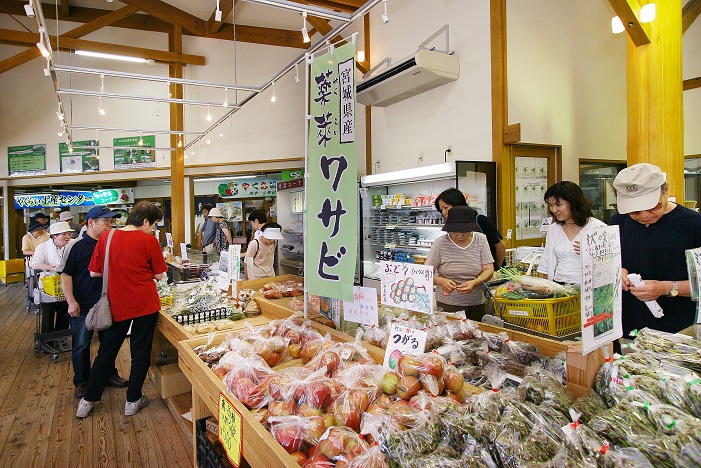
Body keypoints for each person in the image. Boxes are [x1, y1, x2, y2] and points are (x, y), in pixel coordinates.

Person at [76, 201, 168, 418]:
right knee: (140, 351)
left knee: (107, 351)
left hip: (115, 304)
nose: (153, 229)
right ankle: (132, 400)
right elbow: (159, 275)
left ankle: (87, 401)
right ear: (145, 221)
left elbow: (94, 273)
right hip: (145, 303)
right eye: (153, 225)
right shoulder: (149, 240)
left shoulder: (107, 237)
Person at [610, 163, 701, 336]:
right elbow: (607, 264)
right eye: (634, 212)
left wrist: (666, 288)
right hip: (627, 326)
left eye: (653, 207)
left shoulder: (694, 225)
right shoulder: (618, 221)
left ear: (665, 190)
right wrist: (617, 271)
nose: (644, 216)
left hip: (678, 330)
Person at [61, 206, 128, 399]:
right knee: (81, 344)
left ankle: (109, 374)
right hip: (83, 304)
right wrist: (71, 301)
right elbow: (66, 275)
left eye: (111, 221)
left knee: (108, 343)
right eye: (106, 221)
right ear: (91, 222)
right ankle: (82, 382)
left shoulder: (112, 244)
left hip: (108, 303)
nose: (110, 224)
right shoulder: (77, 246)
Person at [425, 206, 494, 320]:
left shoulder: (481, 240)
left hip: (476, 302)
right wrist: (441, 281)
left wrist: (475, 282)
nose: (460, 236)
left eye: (465, 232)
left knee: (475, 335)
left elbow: (489, 269)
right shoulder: (440, 243)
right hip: (448, 304)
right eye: (455, 232)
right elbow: (425, 274)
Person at [537, 181, 606, 284]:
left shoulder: (598, 228)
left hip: (587, 288)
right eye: (551, 205)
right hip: (559, 287)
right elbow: (546, 262)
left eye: (558, 204)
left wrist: (591, 252)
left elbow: (609, 264)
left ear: (573, 203)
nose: (554, 210)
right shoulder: (554, 229)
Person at [435, 188, 507, 270]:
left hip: (488, 273)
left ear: (457, 204)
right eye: (441, 210)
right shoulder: (450, 227)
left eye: (446, 207)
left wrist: (496, 270)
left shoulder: (480, 220)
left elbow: (501, 247)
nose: (444, 212)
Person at [31, 221, 74, 333]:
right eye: (64, 234)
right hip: (48, 285)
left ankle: (61, 338)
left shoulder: (72, 245)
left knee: (64, 311)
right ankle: (47, 341)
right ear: (54, 236)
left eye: (69, 234)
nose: (67, 237)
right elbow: (34, 264)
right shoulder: (43, 247)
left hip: (66, 285)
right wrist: (50, 267)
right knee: (48, 313)